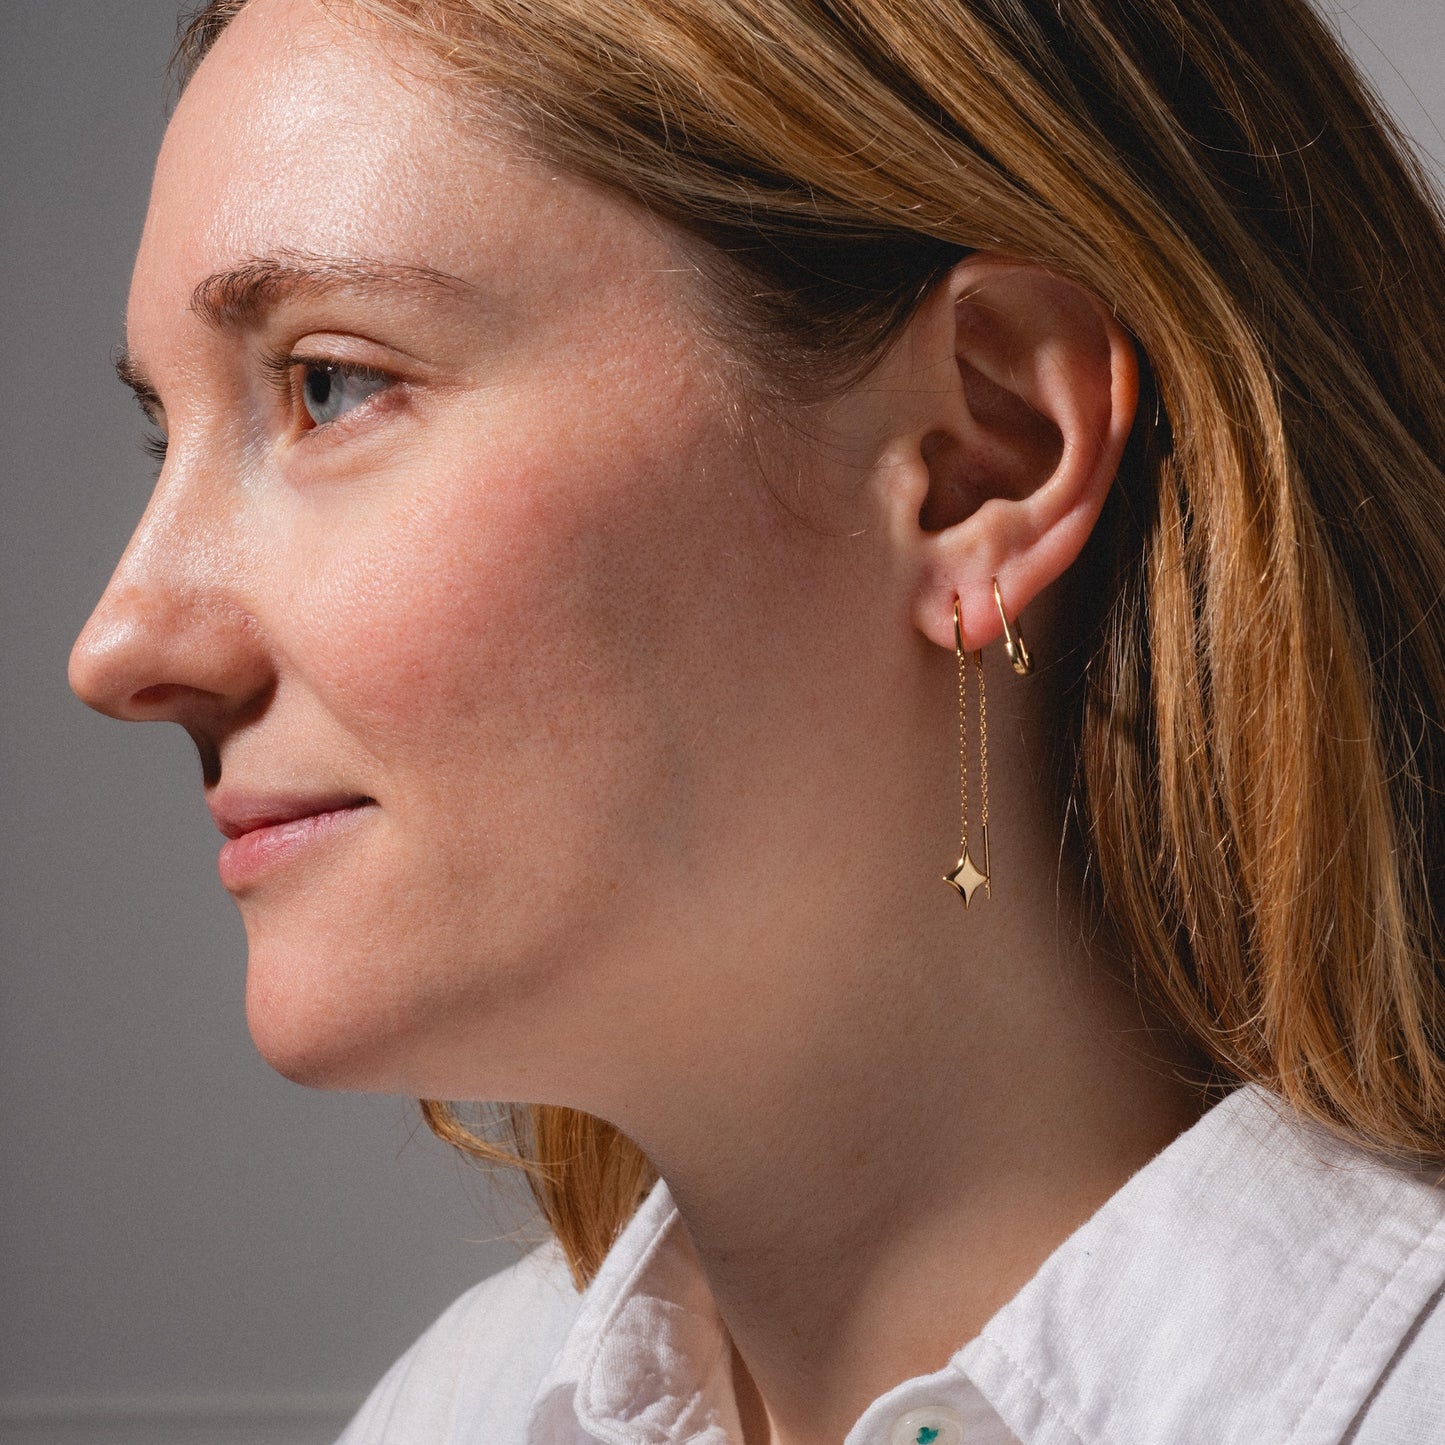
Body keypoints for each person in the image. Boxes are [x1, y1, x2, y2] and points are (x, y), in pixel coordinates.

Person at [68, 0, 1445, 1440]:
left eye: (327, 385)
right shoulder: (453, 1411)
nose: (119, 645)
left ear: (981, 455)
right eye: (168, 433)